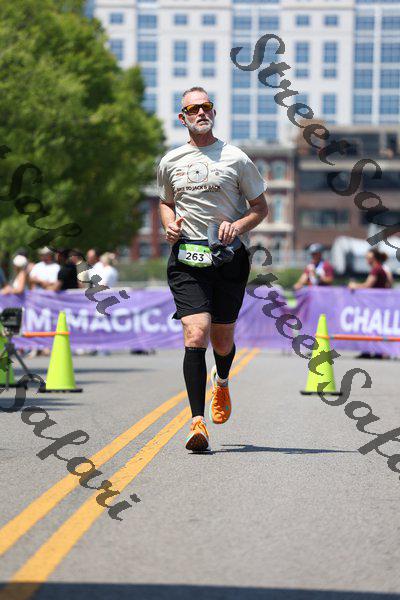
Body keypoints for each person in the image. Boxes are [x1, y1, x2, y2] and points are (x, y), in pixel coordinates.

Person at [157, 86, 269, 452]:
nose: (201, 112)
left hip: (227, 257)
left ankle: (221, 382)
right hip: (187, 258)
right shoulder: (170, 161)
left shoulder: (236, 158)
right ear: (183, 117)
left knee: (222, 339)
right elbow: (165, 202)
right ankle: (197, 421)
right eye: (193, 109)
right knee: (196, 332)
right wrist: (169, 225)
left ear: (214, 112)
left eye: (206, 106)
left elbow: (260, 208)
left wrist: (237, 226)